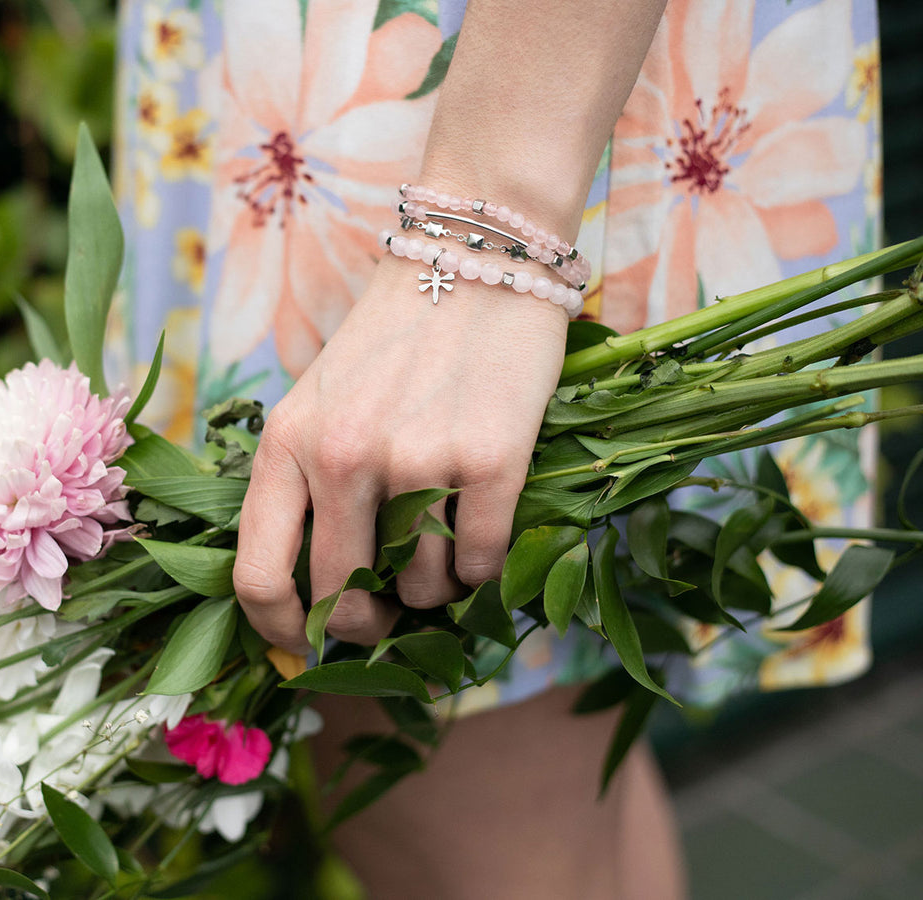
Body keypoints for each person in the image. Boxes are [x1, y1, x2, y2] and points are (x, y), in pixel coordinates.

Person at [109, 1, 882, 895]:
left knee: (459, 810)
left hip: (477, 99)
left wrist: (489, 232)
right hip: (333, 96)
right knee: (536, 820)